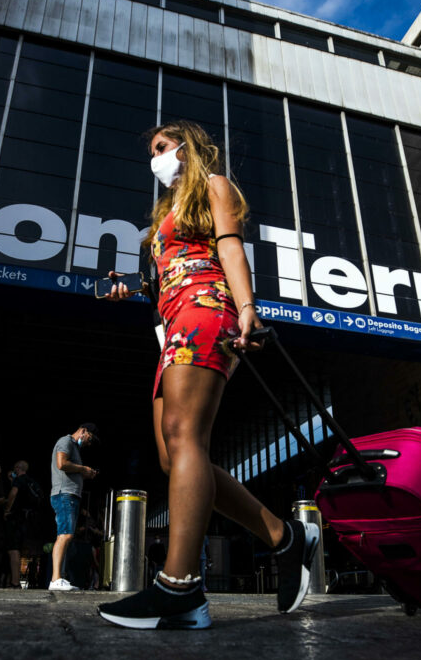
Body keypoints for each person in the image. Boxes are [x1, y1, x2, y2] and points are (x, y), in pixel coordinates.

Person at [97, 120, 320, 629]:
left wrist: (247, 308)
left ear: (186, 147)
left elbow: (229, 248)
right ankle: (286, 539)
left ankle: (181, 587)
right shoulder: (162, 220)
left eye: (161, 146)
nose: (155, 157)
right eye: (151, 150)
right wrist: (134, 290)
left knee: (184, 438)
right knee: (172, 455)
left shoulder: (214, 187)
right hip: (172, 321)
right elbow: (165, 281)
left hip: (208, 307)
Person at [48, 423, 100, 591]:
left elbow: (70, 470)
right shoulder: (66, 441)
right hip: (64, 495)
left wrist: (85, 474)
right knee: (64, 535)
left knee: (65, 536)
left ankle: (59, 578)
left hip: (70, 495)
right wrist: (83, 468)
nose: (88, 444)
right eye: (89, 439)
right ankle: (55, 579)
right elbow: (61, 463)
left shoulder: (75, 449)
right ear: (83, 431)